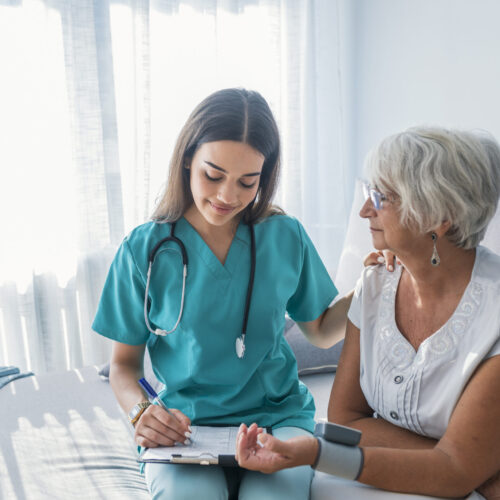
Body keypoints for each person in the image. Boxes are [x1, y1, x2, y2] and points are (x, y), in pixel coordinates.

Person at [92, 88, 354, 499]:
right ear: (186, 162)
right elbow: (124, 366)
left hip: (276, 417)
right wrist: (143, 412)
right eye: (213, 176)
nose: (227, 197)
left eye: (247, 182)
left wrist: (371, 287)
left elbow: (320, 331)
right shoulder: (144, 250)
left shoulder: (284, 237)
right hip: (187, 424)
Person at [236, 126, 500, 500]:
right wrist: (471, 467)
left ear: (441, 216)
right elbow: (347, 419)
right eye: (368, 193)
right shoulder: (376, 284)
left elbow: (452, 473)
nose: (364, 210)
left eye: (381, 197)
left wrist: (321, 453)